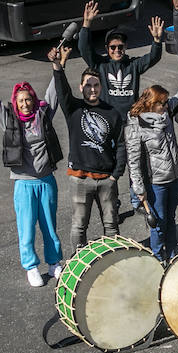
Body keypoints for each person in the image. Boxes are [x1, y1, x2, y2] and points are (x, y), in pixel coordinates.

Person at [0, 59, 64, 287]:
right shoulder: (10, 120)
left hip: (46, 181)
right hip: (24, 184)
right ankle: (31, 267)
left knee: (49, 225)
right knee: (26, 228)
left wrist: (58, 68)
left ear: (34, 99)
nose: (25, 104)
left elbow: (54, 95)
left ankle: (54, 262)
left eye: (28, 99)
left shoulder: (43, 115)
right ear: (16, 102)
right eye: (21, 100)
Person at [50, 45, 126, 248]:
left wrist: (115, 175)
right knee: (79, 227)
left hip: (106, 180)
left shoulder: (112, 113)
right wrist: (58, 66)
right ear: (81, 87)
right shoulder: (74, 109)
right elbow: (61, 90)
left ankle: (114, 264)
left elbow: (121, 145)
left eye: (96, 85)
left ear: (101, 87)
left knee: (111, 226)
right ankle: (78, 266)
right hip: (80, 179)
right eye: (88, 85)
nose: (92, 89)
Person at [124, 85, 178, 262]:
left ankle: (173, 255)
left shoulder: (165, 115)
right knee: (158, 223)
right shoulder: (136, 125)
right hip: (156, 183)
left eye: (166, 103)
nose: (166, 107)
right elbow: (133, 161)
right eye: (163, 104)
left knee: (171, 218)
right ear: (152, 103)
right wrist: (139, 188)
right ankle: (157, 258)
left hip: (175, 177)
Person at [77, 0, 164, 114]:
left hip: (130, 119)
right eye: (113, 47)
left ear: (125, 46)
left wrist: (157, 41)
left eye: (120, 46)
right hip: (107, 117)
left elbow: (154, 57)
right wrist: (86, 24)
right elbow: (84, 48)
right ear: (107, 49)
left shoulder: (134, 65)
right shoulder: (100, 65)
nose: (117, 50)